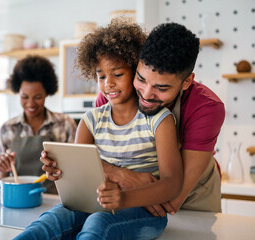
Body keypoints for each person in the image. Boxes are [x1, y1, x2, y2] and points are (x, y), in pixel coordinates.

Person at [14, 19, 183, 240]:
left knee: (98, 223)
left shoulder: (159, 120)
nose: (108, 83)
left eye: (117, 74)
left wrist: (123, 199)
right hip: (93, 204)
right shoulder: (90, 120)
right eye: (101, 76)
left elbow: (173, 184)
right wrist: (58, 172)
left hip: (143, 212)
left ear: (136, 71)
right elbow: (77, 177)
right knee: (47, 223)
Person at [96, 22, 225, 215]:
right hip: (129, 201)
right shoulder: (115, 96)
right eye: (141, 79)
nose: (147, 94)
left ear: (187, 82)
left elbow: (172, 201)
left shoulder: (206, 108)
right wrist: (123, 175)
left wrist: (123, 183)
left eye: (161, 88)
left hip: (193, 201)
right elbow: (94, 158)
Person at [0, 55, 77, 194]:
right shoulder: (7, 129)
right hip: (19, 200)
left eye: (37, 97)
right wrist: (2, 171)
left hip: (55, 203)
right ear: (18, 93)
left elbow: (76, 172)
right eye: (24, 97)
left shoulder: (65, 124)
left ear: (47, 93)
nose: (31, 104)